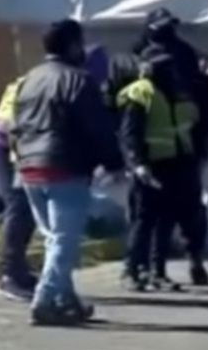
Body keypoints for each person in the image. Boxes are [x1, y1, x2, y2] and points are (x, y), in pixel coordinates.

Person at [11, 19, 124, 326]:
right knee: (64, 241)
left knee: (55, 241)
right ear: (73, 45)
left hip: (29, 168)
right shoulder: (79, 80)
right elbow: (98, 127)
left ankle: (65, 300)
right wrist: (114, 162)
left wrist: (21, 158)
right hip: (64, 167)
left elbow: (16, 124)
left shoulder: (30, 79)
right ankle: (45, 299)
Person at [134, 8, 208, 286]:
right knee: (151, 214)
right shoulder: (136, 57)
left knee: (190, 210)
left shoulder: (185, 53)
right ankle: (148, 267)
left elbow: (206, 92)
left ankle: (194, 257)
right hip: (151, 150)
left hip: (186, 146)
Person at [117, 51, 206, 292]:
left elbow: (193, 128)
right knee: (144, 220)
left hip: (178, 165)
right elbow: (130, 133)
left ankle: (158, 272)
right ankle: (132, 270)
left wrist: (197, 159)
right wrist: (137, 164)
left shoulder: (180, 92)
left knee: (166, 221)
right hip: (151, 166)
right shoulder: (141, 92)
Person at [0, 74, 38, 301]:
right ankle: (10, 276)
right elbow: (14, 124)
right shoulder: (34, 85)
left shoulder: (25, 81)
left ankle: (19, 270)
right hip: (5, 147)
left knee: (21, 211)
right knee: (18, 206)